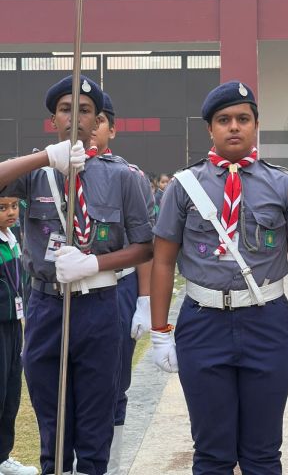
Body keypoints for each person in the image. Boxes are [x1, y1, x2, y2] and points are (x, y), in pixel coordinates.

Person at [151, 80, 288, 475]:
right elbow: (162, 261)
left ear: (255, 125)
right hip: (203, 323)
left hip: (267, 323)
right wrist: (159, 332)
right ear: (209, 128)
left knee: (263, 452)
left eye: (243, 119)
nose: (234, 127)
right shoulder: (183, 186)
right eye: (224, 119)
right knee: (212, 453)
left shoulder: (284, 186)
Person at [0, 76, 153, 475]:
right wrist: (43, 159)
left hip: (99, 306)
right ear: (53, 120)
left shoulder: (123, 177)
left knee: (95, 420)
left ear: (98, 120)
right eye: (65, 110)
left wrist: (96, 264)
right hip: (46, 306)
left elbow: (145, 246)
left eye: (84, 111)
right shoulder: (36, 172)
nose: (74, 118)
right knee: (52, 422)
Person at [90, 92, 154, 475]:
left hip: (117, 287)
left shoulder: (130, 178)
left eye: (98, 120)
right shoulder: (51, 173)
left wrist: (144, 300)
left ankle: (110, 466)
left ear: (111, 130)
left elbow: (144, 243)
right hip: (64, 293)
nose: (89, 127)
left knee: (114, 382)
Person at [0, 197, 38, 475]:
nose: (11, 212)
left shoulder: (13, 239)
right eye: (2, 208)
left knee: (11, 392)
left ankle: (3, 456)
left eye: (14, 206)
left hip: (13, 324)